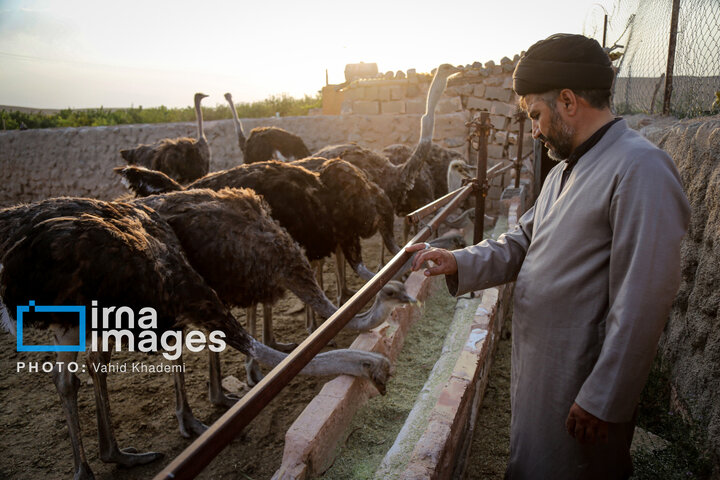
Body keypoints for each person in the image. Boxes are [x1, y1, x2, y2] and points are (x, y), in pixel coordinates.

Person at [407, 33, 690, 479]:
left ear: (568, 100)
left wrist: (604, 397)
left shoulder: (640, 168)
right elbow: (520, 241)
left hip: (580, 380)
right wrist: (458, 260)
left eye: (536, 115)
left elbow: (644, 298)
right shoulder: (564, 172)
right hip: (545, 372)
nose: (534, 130)